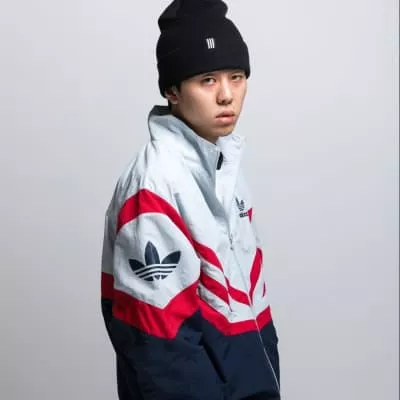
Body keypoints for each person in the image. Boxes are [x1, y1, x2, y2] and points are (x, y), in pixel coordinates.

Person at [100, 0, 280, 399]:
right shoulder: (153, 186)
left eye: (237, 77)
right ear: (173, 91)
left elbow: (248, 315)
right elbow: (162, 349)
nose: (227, 96)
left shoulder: (226, 168)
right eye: (208, 80)